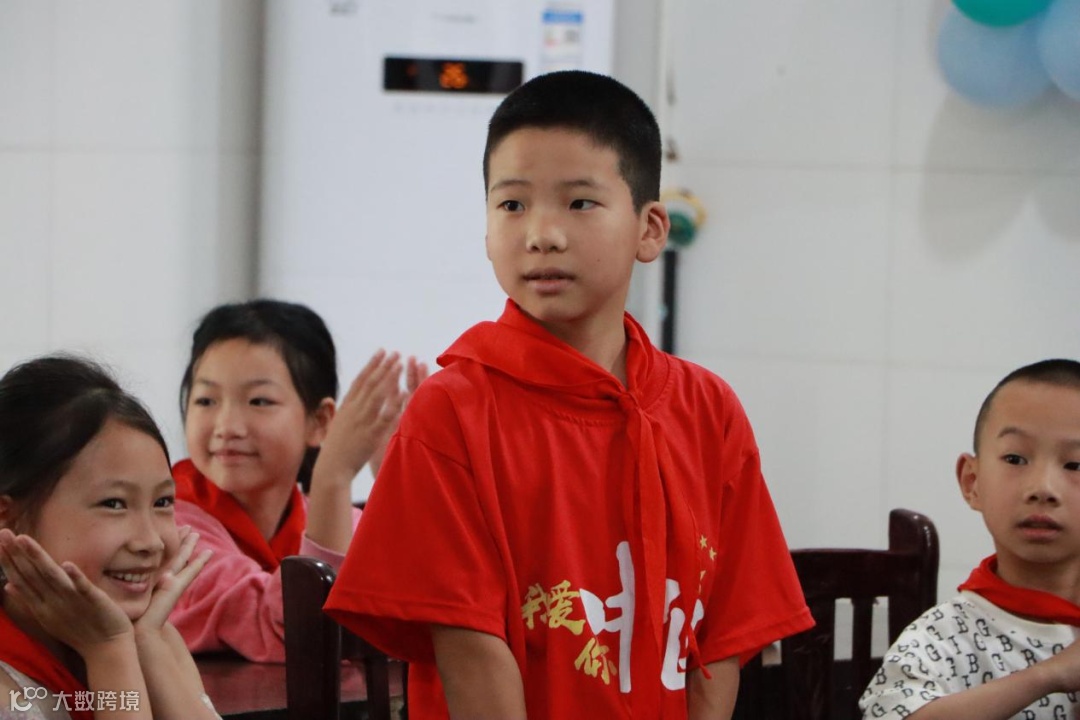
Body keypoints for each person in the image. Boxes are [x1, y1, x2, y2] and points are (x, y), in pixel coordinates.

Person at [324, 70, 813, 719]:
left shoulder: (708, 409)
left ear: (649, 229)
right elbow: (472, 650)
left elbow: (720, 640)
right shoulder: (452, 412)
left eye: (579, 203)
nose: (541, 234)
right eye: (512, 205)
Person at [168, 299, 426, 662]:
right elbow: (299, 633)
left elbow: (414, 610)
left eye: (259, 401)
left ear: (319, 421)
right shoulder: (169, 530)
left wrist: (401, 487)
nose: (227, 426)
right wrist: (332, 477)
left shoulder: (326, 520)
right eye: (206, 400)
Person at [0, 355, 218, 720]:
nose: (151, 542)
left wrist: (146, 643)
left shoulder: (154, 636)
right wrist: (109, 651)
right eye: (114, 503)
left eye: (162, 502)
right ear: (8, 518)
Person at [860, 358, 1080, 720]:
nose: (1042, 488)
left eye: (1075, 465)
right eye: (1015, 458)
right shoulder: (943, 638)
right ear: (972, 482)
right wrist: (1049, 676)